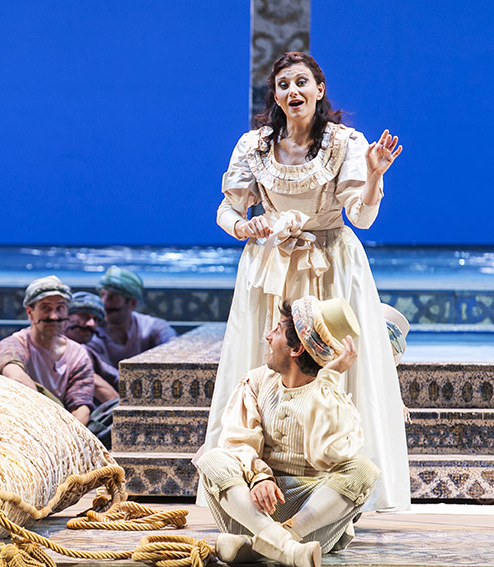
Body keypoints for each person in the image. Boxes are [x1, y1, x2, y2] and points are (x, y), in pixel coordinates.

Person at [201, 52, 409, 512]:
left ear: (319, 90)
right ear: (275, 96)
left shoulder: (345, 143)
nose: (293, 91)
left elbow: (362, 216)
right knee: (264, 361)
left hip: (331, 262)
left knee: (338, 367)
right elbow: (227, 209)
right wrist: (245, 227)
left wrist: (374, 175)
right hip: (270, 263)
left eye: (302, 82)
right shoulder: (254, 146)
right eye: (283, 84)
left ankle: (336, 487)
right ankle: (258, 477)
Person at [195, 297, 380, 567]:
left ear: (296, 350)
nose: (268, 336)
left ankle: (270, 543)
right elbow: (238, 440)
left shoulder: (332, 399)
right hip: (253, 507)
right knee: (211, 457)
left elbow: (326, 456)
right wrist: (259, 477)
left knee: (364, 468)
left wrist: (327, 382)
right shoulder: (257, 381)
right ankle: (283, 547)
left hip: (308, 518)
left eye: (278, 331)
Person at [0, 276, 114, 446]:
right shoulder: (14, 344)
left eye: (60, 308)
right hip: (23, 424)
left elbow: (80, 405)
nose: (54, 316)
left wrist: (63, 439)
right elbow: (15, 375)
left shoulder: (78, 354)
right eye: (45, 308)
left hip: (64, 430)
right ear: (30, 312)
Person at [88, 266, 177, 367]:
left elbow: (169, 339)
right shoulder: (92, 333)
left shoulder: (148, 327)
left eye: (114, 297)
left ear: (132, 303)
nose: (104, 303)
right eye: (103, 295)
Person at [65, 291, 119, 403]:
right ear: (65, 316)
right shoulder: (56, 347)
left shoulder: (85, 351)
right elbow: (95, 382)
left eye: (96, 319)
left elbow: (116, 377)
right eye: (84, 316)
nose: (91, 324)